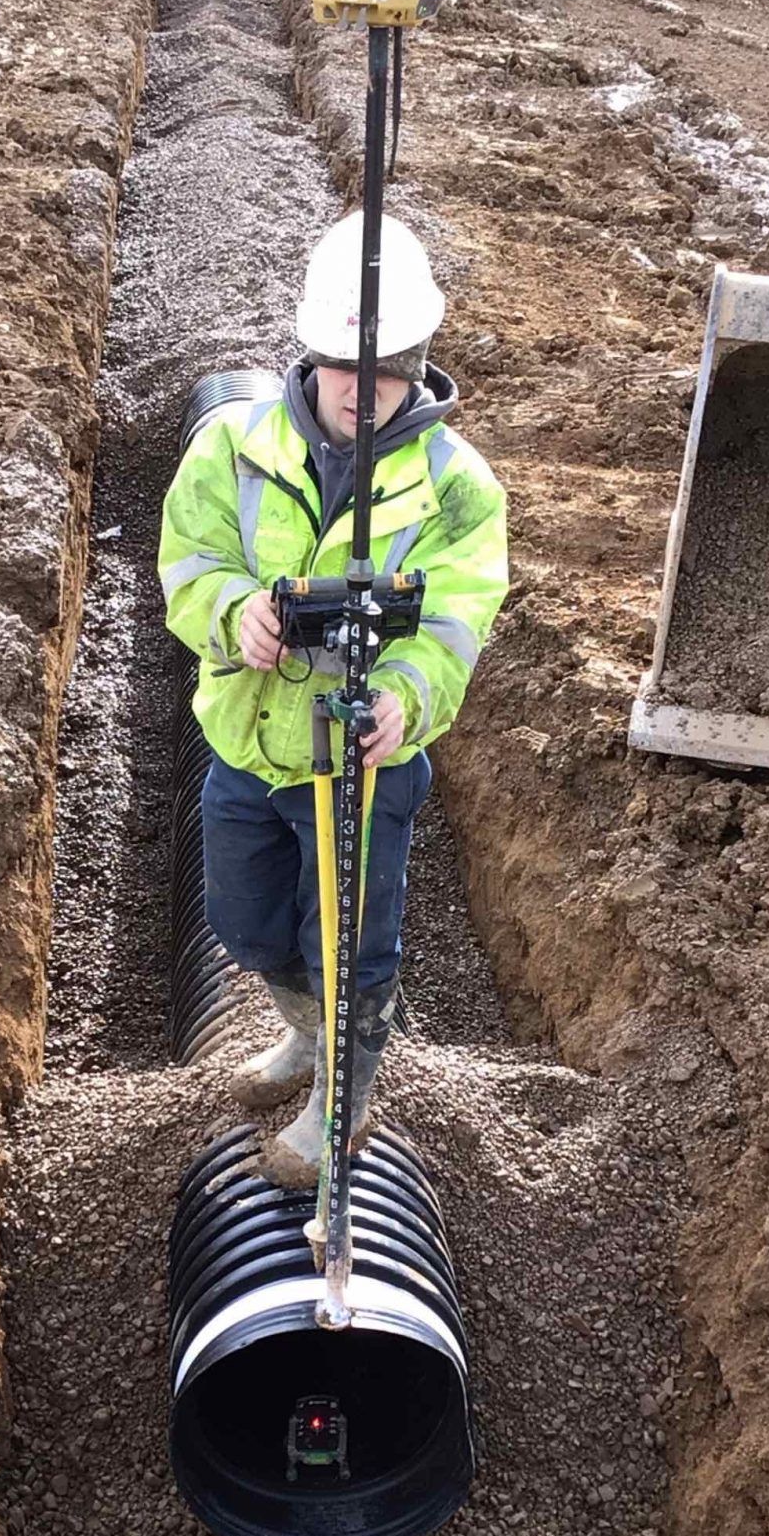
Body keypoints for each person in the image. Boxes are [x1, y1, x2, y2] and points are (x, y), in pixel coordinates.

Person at [160, 211, 509, 1183]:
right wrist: (236, 614)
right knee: (248, 920)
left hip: (362, 760)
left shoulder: (456, 488)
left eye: (388, 368)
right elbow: (190, 563)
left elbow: (455, 618)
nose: (364, 390)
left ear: (420, 362)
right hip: (248, 737)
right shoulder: (233, 446)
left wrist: (405, 696)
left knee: (350, 937)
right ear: (310, 354)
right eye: (346, 366)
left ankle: (346, 1090)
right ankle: (309, 1034)